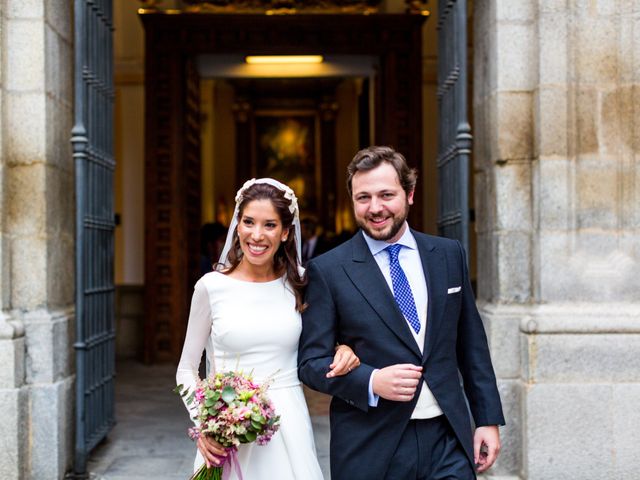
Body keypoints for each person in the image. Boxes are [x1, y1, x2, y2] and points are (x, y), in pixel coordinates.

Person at [298, 146, 505, 480]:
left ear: (409, 194)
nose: (375, 208)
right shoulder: (328, 270)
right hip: (371, 445)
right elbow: (310, 364)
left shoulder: (449, 254)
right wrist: (371, 381)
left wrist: (487, 419)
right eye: (363, 197)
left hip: (448, 438)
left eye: (386, 195)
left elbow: (472, 347)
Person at [177, 178, 360, 479]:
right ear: (237, 225)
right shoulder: (210, 287)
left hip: (289, 426)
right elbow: (186, 369)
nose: (257, 235)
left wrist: (343, 348)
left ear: (286, 232)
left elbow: (325, 338)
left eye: (270, 225)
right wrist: (205, 424)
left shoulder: (302, 282)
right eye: (248, 222)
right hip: (226, 433)